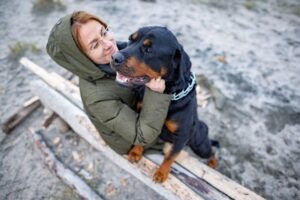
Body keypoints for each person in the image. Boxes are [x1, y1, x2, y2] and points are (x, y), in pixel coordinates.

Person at [46, 11, 171, 154]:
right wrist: (155, 93)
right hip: (130, 140)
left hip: (136, 109)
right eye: (95, 45)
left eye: (104, 32)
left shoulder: (119, 53)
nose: (109, 44)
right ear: (82, 59)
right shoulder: (97, 98)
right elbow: (141, 136)